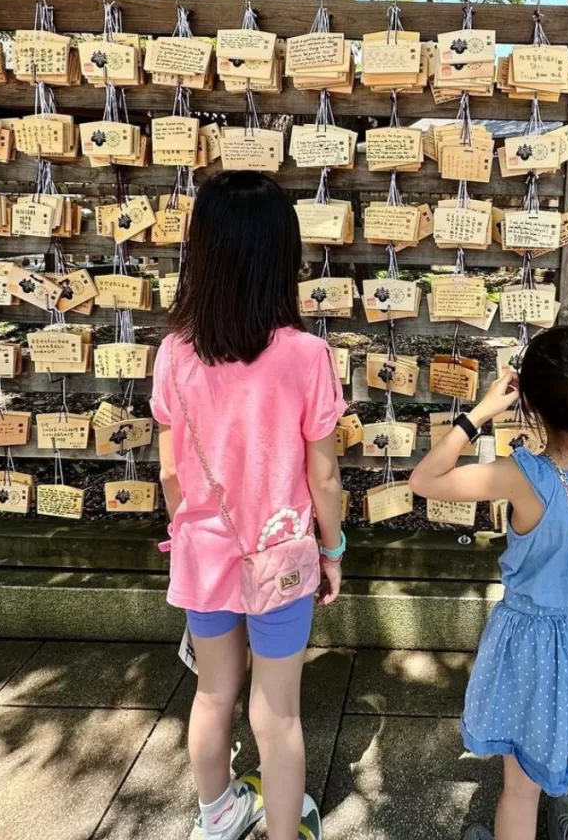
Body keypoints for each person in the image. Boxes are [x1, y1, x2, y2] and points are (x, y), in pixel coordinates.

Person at [152, 171, 348, 840]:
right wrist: (334, 548)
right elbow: (324, 478)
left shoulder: (173, 354)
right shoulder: (308, 356)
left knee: (211, 695)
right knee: (278, 713)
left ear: (198, 253)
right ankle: (285, 834)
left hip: (205, 553)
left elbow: (171, 473)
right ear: (282, 257)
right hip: (285, 553)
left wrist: (193, 528)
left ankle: (219, 817)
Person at [409, 326, 568, 840]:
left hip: (531, 642)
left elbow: (424, 480)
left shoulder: (522, 476)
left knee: (520, 785)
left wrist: (478, 413)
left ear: (530, 406)